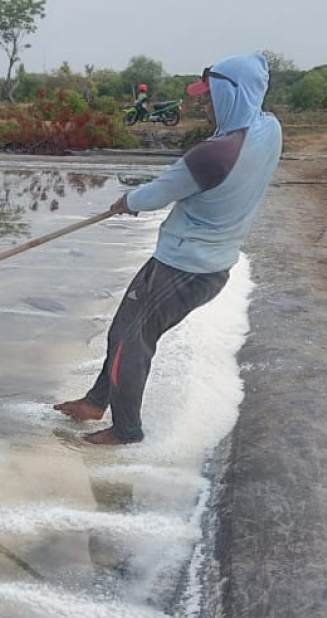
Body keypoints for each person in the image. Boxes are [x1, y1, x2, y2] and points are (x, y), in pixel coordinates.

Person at [54, 52, 283, 445]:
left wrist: (127, 201)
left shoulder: (215, 154)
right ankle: (96, 401)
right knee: (124, 331)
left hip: (186, 266)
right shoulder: (270, 129)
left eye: (211, 95)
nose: (204, 103)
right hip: (202, 262)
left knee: (131, 340)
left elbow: (160, 192)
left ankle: (126, 430)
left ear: (232, 95)